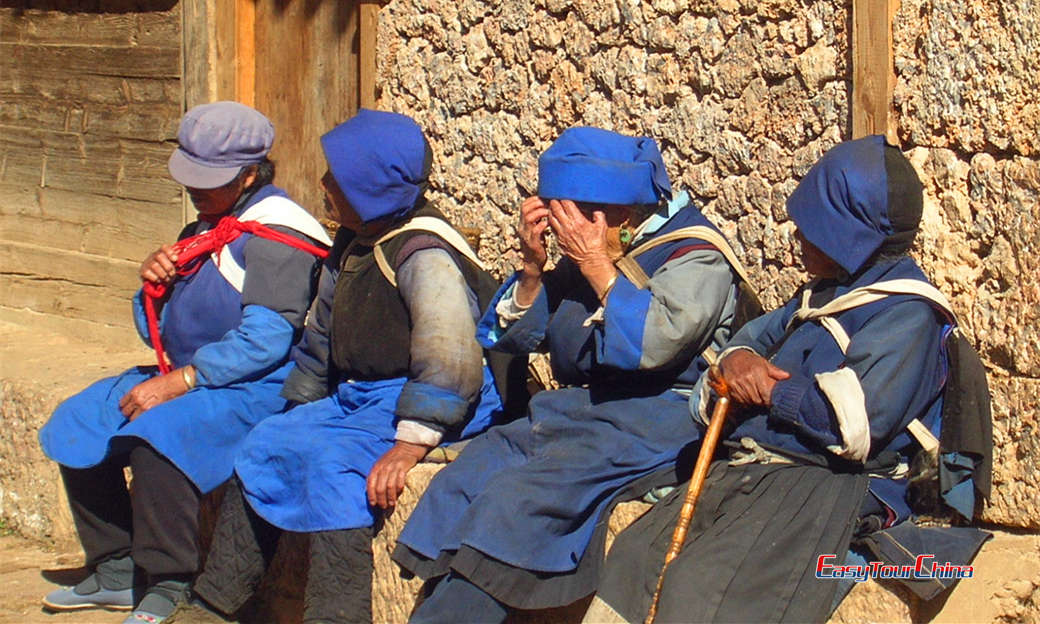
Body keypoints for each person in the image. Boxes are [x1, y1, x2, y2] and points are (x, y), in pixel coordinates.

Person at [589, 135, 981, 623]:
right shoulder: (819, 295)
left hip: (823, 487)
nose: (797, 238)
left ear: (847, 234)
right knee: (632, 558)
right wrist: (735, 364)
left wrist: (771, 390)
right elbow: (749, 341)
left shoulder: (907, 317)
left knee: (700, 593)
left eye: (812, 228)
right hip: (755, 470)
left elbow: (853, 427)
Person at [167, 109, 511, 624]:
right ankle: (213, 605)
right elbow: (321, 337)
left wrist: (410, 444)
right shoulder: (352, 244)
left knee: (335, 469)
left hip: (432, 399)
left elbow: (450, 361)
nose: (324, 184)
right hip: (363, 396)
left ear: (368, 186)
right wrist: (296, 407)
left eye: (336, 177)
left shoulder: (423, 253)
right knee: (264, 443)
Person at [392, 127, 748, 623]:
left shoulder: (693, 256)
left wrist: (597, 266)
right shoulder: (595, 250)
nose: (562, 232)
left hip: (661, 419)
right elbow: (519, 336)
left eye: (569, 215)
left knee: (524, 498)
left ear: (617, 214)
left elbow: (655, 344)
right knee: (473, 473)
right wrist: (534, 269)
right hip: (583, 414)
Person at [38, 101, 332, 624]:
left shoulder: (277, 233)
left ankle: (169, 580)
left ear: (248, 175)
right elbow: (160, 327)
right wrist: (153, 288)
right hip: (192, 372)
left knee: (159, 435)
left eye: (208, 178)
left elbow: (266, 339)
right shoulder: (206, 228)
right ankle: (112, 567)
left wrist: (184, 380)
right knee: (78, 420)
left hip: (257, 384)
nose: (193, 189)